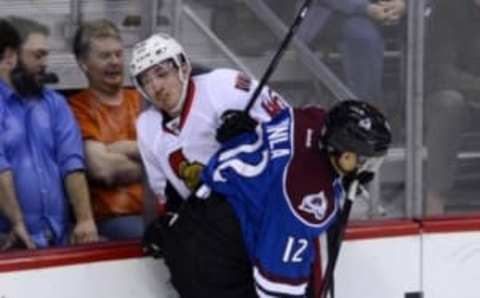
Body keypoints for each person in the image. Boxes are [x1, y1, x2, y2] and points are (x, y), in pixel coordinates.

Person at [144, 100, 392, 297]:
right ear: (344, 156)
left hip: (202, 209)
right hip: (212, 264)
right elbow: (276, 287)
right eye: (364, 160)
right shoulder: (306, 201)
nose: (370, 168)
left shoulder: (311, 118)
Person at [130, 33, 290, 211]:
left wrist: (254, 135)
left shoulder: (223, 85)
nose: (156, 87)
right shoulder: (147, 127)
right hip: (215, 219)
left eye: (162, 74)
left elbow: (285, 123)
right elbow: (169, 194)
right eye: (146, 81)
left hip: (266, 197)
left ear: (183, 68)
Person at [0, 17, 98, 249]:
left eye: (46, 54)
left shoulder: (56, 104)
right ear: (11, 57)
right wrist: (18, 223)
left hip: (58, 238)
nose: (45, 63)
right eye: (37, 55)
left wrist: (85, 220)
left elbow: (71, 164)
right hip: (9, 240)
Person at [69, 19, 144, 240]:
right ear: (83, 63)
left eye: (118, 54)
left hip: (160, 211)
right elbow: (102, 169)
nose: (114, 62)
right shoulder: (77, 108)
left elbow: (172, 150)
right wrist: (152, 163)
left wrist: (119, 149)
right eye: (104, 56)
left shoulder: (144, 100)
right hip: (115, 219)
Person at [425, 0, 480, 215]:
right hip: (449, 94)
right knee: (449, 105)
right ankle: (434, 201)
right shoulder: (448, 8)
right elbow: (442, 71)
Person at [297, 0, 406, 102]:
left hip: (388, 16)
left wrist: (403, 5)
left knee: (419, 29)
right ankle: (365, 105)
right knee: (362, 35)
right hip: (330, 12)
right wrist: (366, 8)